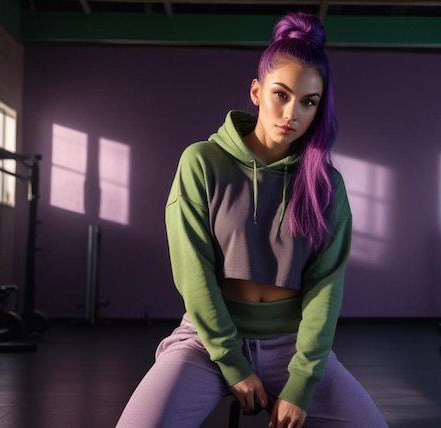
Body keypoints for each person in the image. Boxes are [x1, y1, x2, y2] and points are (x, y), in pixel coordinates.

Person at [116, 11, 388, 428]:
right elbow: (194, 274)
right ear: (257, 92)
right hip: (206, 344)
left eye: (308, 102)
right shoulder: (202, 161)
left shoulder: (326, 184)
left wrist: (302, 381)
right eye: (281, 94)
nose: (292, 113)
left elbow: (325, 287)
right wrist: (234, 363)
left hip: (292, 345)